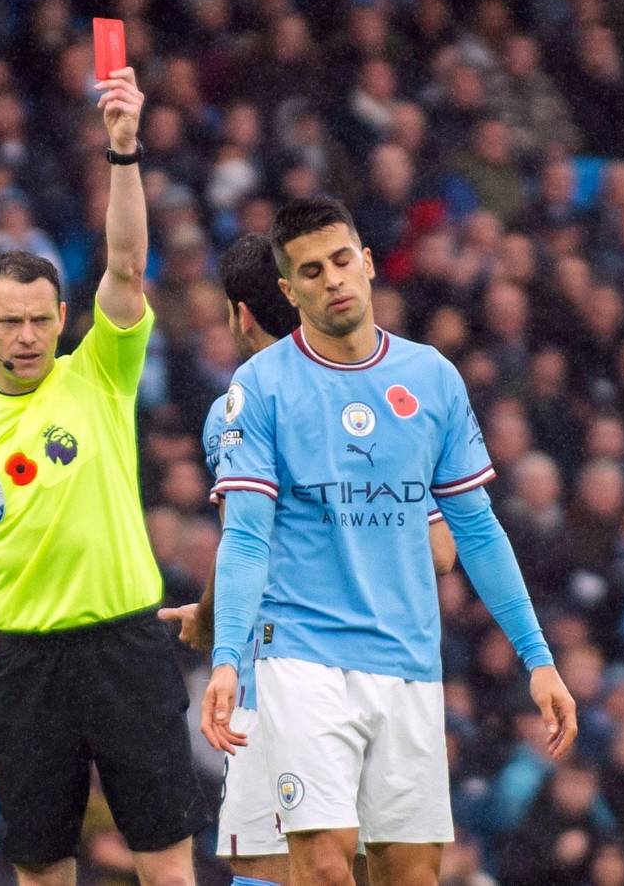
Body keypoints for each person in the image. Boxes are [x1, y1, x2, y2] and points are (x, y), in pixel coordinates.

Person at [201, 195, 577, 886]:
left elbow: (475, 529)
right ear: (288, 290)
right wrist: (227, 656)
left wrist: (537, 657)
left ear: (368, 264)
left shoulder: (431, 376)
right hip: (301, 657)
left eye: (342, 261)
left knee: (411, 872)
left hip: (407, 658)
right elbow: (245, 539)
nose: (332, 280)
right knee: (322, 861)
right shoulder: (257, 388)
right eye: (310, 272)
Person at [0, 67, 209, 886]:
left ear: (60, 319)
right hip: (26, 665)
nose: (27, 336)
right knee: (39, 870)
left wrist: (122, 151)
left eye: (42, 319)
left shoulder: (99, 373)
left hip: (125, 647)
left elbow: (124, 265)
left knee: (167, 866)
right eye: (9, 322)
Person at [161, 233, 456, 886]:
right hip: (394, 671)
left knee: (274, 865)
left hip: (288, 670)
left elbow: (250, 544)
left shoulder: (238, 406)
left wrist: (210, 623)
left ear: (241, 313)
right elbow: (441, 551)